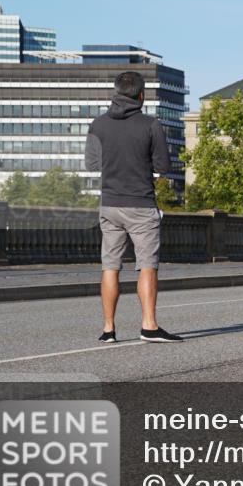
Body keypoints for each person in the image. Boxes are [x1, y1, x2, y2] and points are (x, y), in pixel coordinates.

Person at [84, 71, 181, 343]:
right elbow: (163, 166)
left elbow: (92, 164)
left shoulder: (98, 124)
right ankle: (149, 326)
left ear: (116, 92)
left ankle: (108, 329)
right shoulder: (150, 125)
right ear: (141, 95)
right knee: (147, 265)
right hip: (140, 204)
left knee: (110, 266)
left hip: (109, 204)